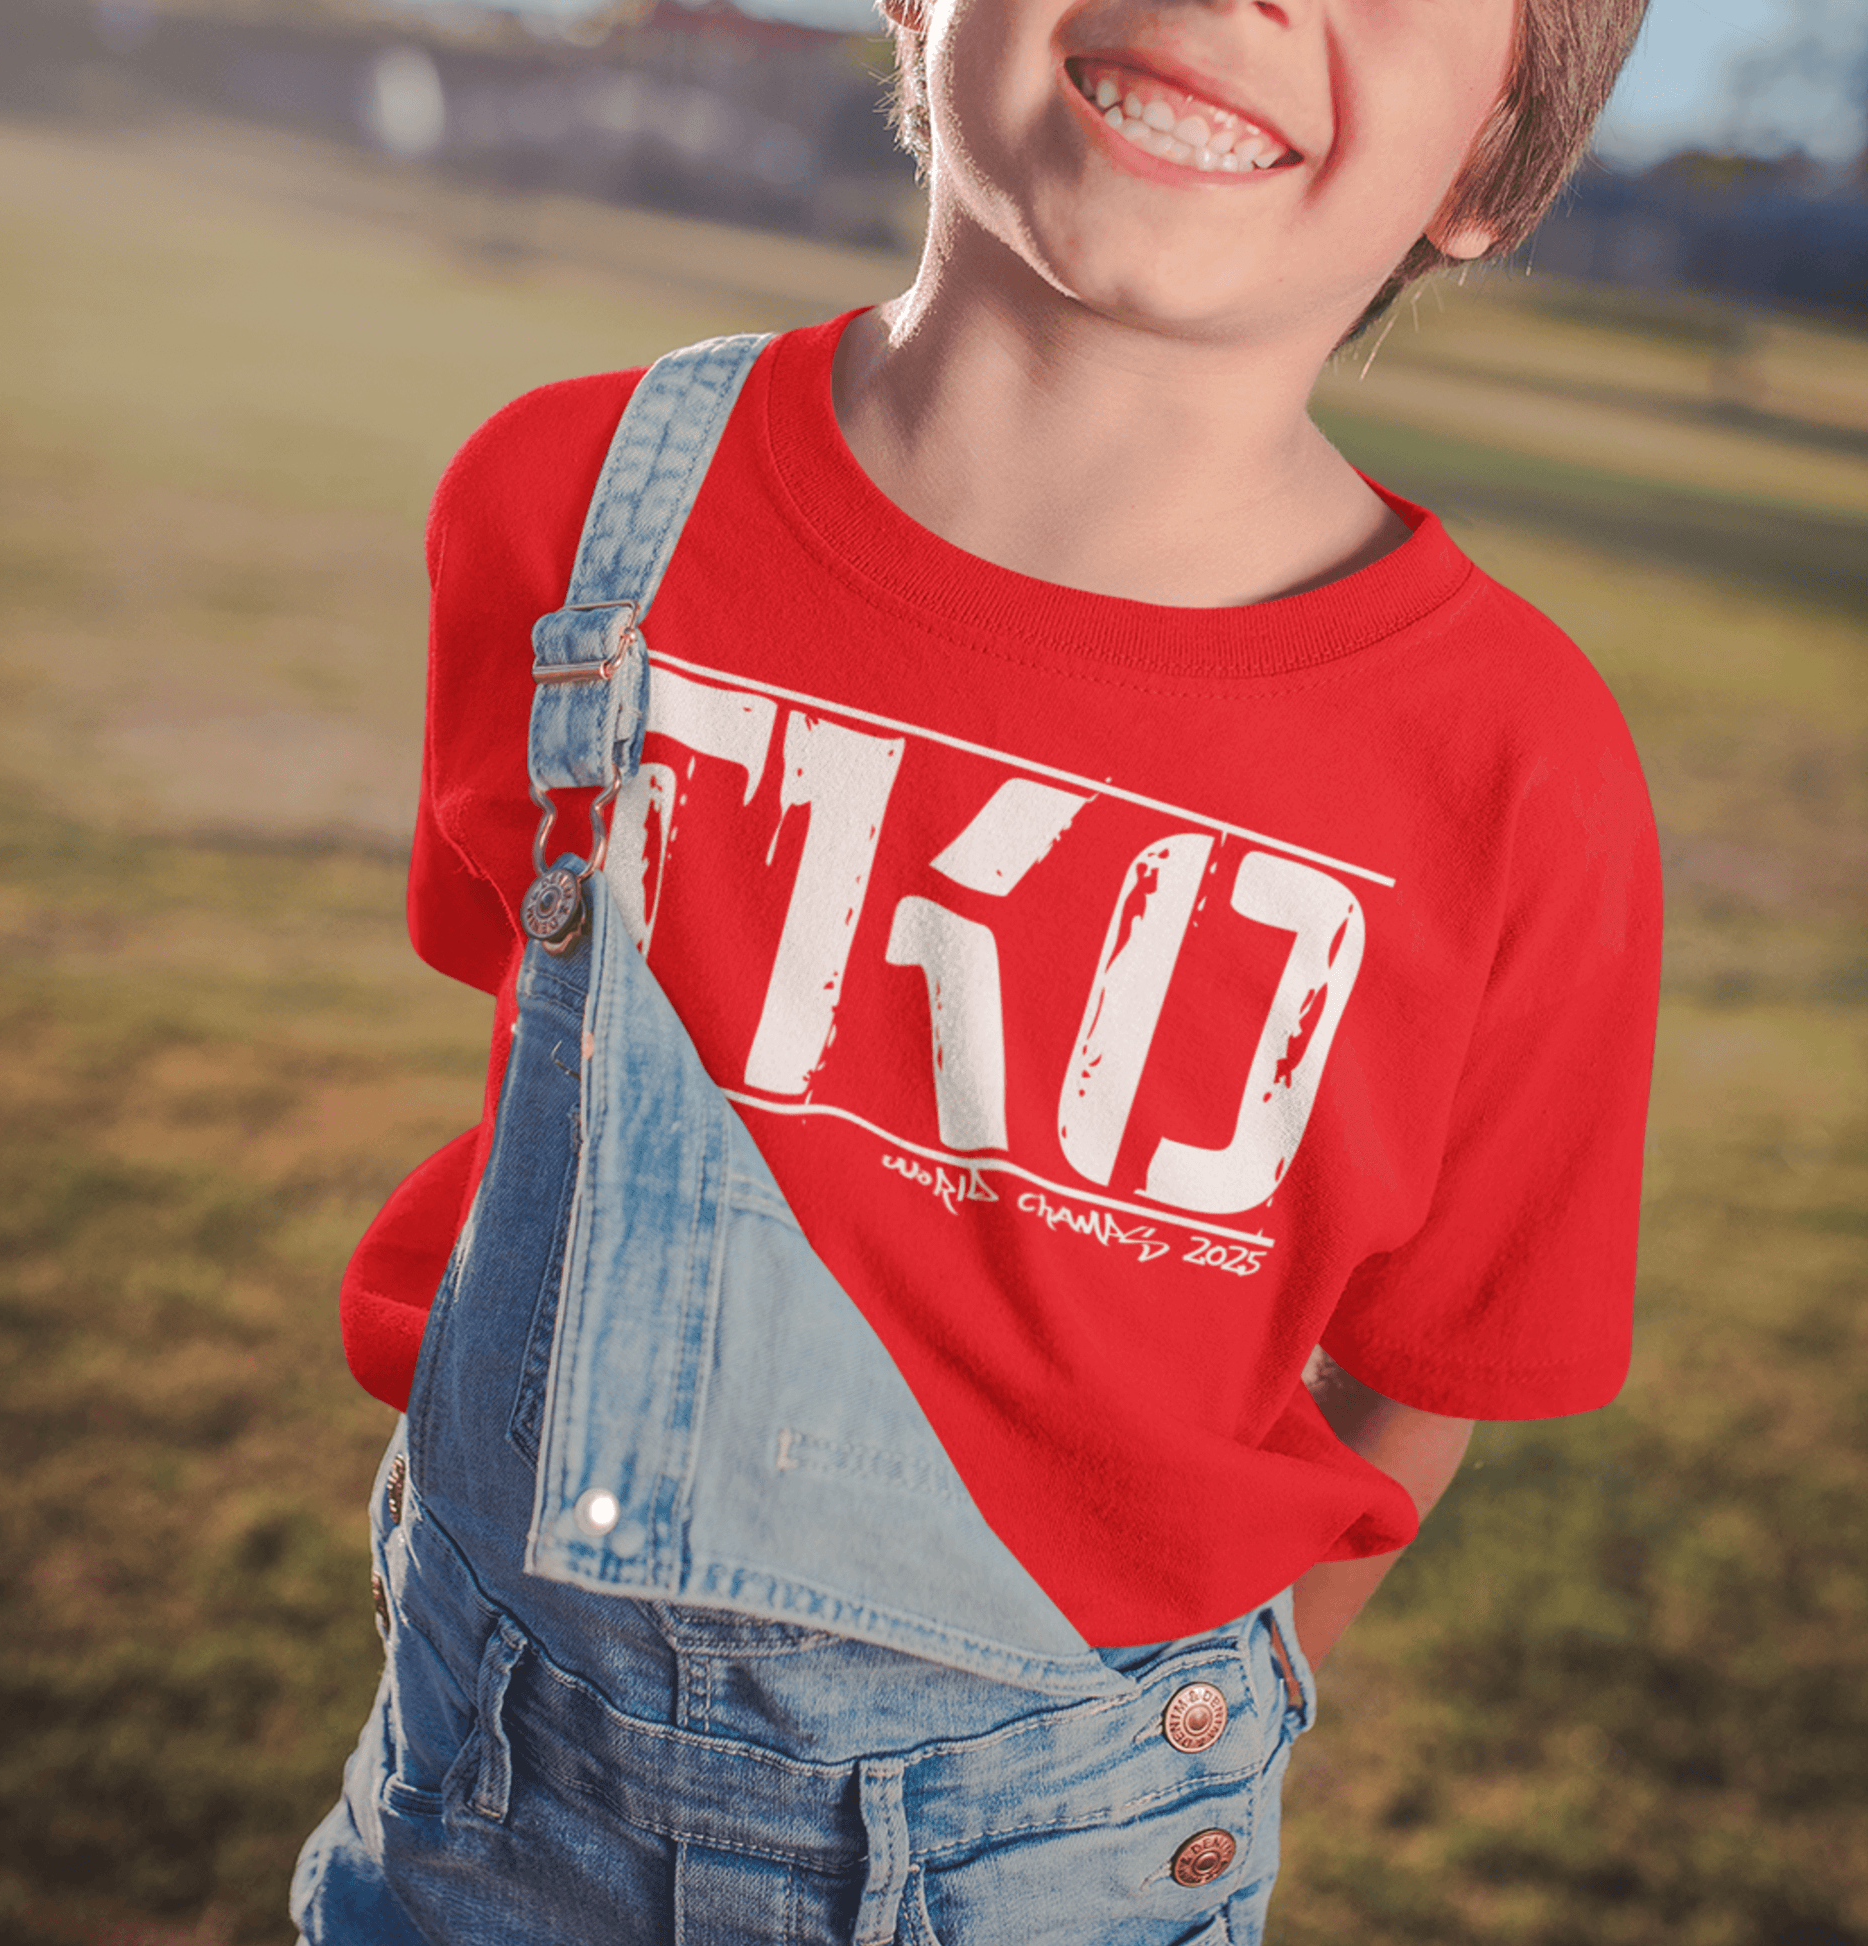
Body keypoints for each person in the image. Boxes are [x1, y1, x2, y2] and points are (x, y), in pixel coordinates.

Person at [292, 0, 1661, 1936]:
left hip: (1056, 1862)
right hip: (486, 1799)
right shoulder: (568, 506)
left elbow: (1425, 1373)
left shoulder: (1520, 772)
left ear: (1487, 167)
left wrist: (1193, 1716)